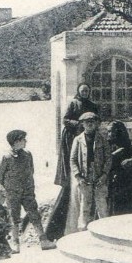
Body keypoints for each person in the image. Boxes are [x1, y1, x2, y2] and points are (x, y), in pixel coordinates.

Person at [47, 83, 100, 241]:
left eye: (87, 90)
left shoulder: (92, 105)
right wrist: (79, 124)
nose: (84, 92)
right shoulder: (73, 103)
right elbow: (65, 120)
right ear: (78, 91)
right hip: (73, 136)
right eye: (82, 90)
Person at [0, 130, 56, 251]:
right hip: (12, 193)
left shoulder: (27, 154)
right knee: (14, 217)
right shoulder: (6, 157)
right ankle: (15, 244)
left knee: (34, 214)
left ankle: (43, 241)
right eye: (23, 139)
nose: (25, 141)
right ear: (16, 142)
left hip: (28, 191)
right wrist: (10, 188)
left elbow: (31, 171)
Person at [70, 112, 111, 229]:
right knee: (85, 206)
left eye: (92, 122)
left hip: (99, 176)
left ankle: (105, 231)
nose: (90, 124)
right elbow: (72, 160)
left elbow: (108, 158)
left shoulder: (102, 139)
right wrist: (78, 176)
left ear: (96, 124)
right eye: (87, 122)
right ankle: (82, 230)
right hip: (84, 176)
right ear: (82, 124)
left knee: (102, 205)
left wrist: (104, 175)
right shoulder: (78, 140)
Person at [107, 120, 132, 216]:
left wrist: (131, 160)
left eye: (111, 131)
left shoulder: (129, 143)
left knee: (130, 208)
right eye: (108, 131)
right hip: (114, 178)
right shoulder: (106, 144)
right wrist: (114, 154)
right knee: (115, 208)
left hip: (129, 179)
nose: (109, 134)